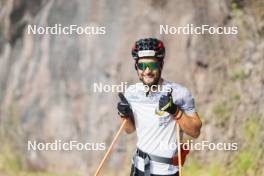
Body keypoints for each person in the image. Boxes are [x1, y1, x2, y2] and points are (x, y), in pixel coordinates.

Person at [117, 38, 202, 176]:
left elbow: (195, 132)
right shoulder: (131, 93)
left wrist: (175, 111)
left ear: (161, 65)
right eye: (142, 66)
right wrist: (124, 115)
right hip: (138, 167)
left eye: (153, 65)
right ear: (136, 68)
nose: (147, 71)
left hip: (166, 172)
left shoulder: (179, 93)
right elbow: (129, 129)